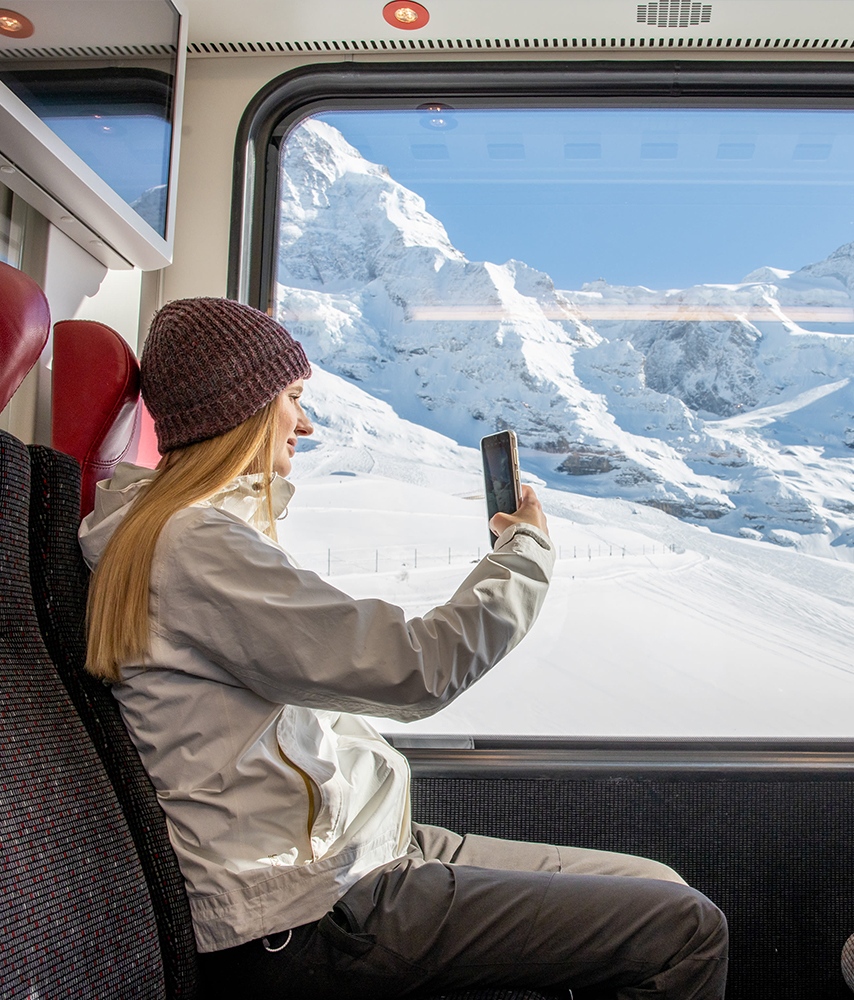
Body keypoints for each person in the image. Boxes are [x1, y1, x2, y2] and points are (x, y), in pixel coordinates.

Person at [79, 297, 728, 1000]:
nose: (306, 421)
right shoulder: (197, 546)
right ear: (241, 408)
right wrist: (525, 553)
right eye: (293, 399)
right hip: (308, 908)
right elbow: (418, 669)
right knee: (685, 931)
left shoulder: (184, 535)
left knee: (657, 885)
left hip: (359, 853)